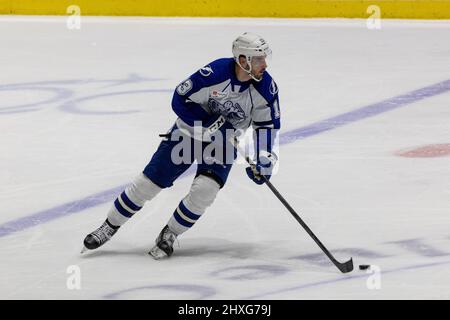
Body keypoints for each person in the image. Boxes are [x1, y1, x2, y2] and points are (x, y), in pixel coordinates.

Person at [82, 32, 281, 259]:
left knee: (205, 191)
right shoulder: (215, 73)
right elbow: (179, 98)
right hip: (188, 134)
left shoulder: (266, 88)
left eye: (264, 58)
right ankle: (109, 226)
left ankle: (170, 234)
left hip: (222, 145)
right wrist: (212, 123)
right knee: (147, 185)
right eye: (258, 59)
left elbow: (267, 126)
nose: (264, 64)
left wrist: (265, 157)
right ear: (243, 60)